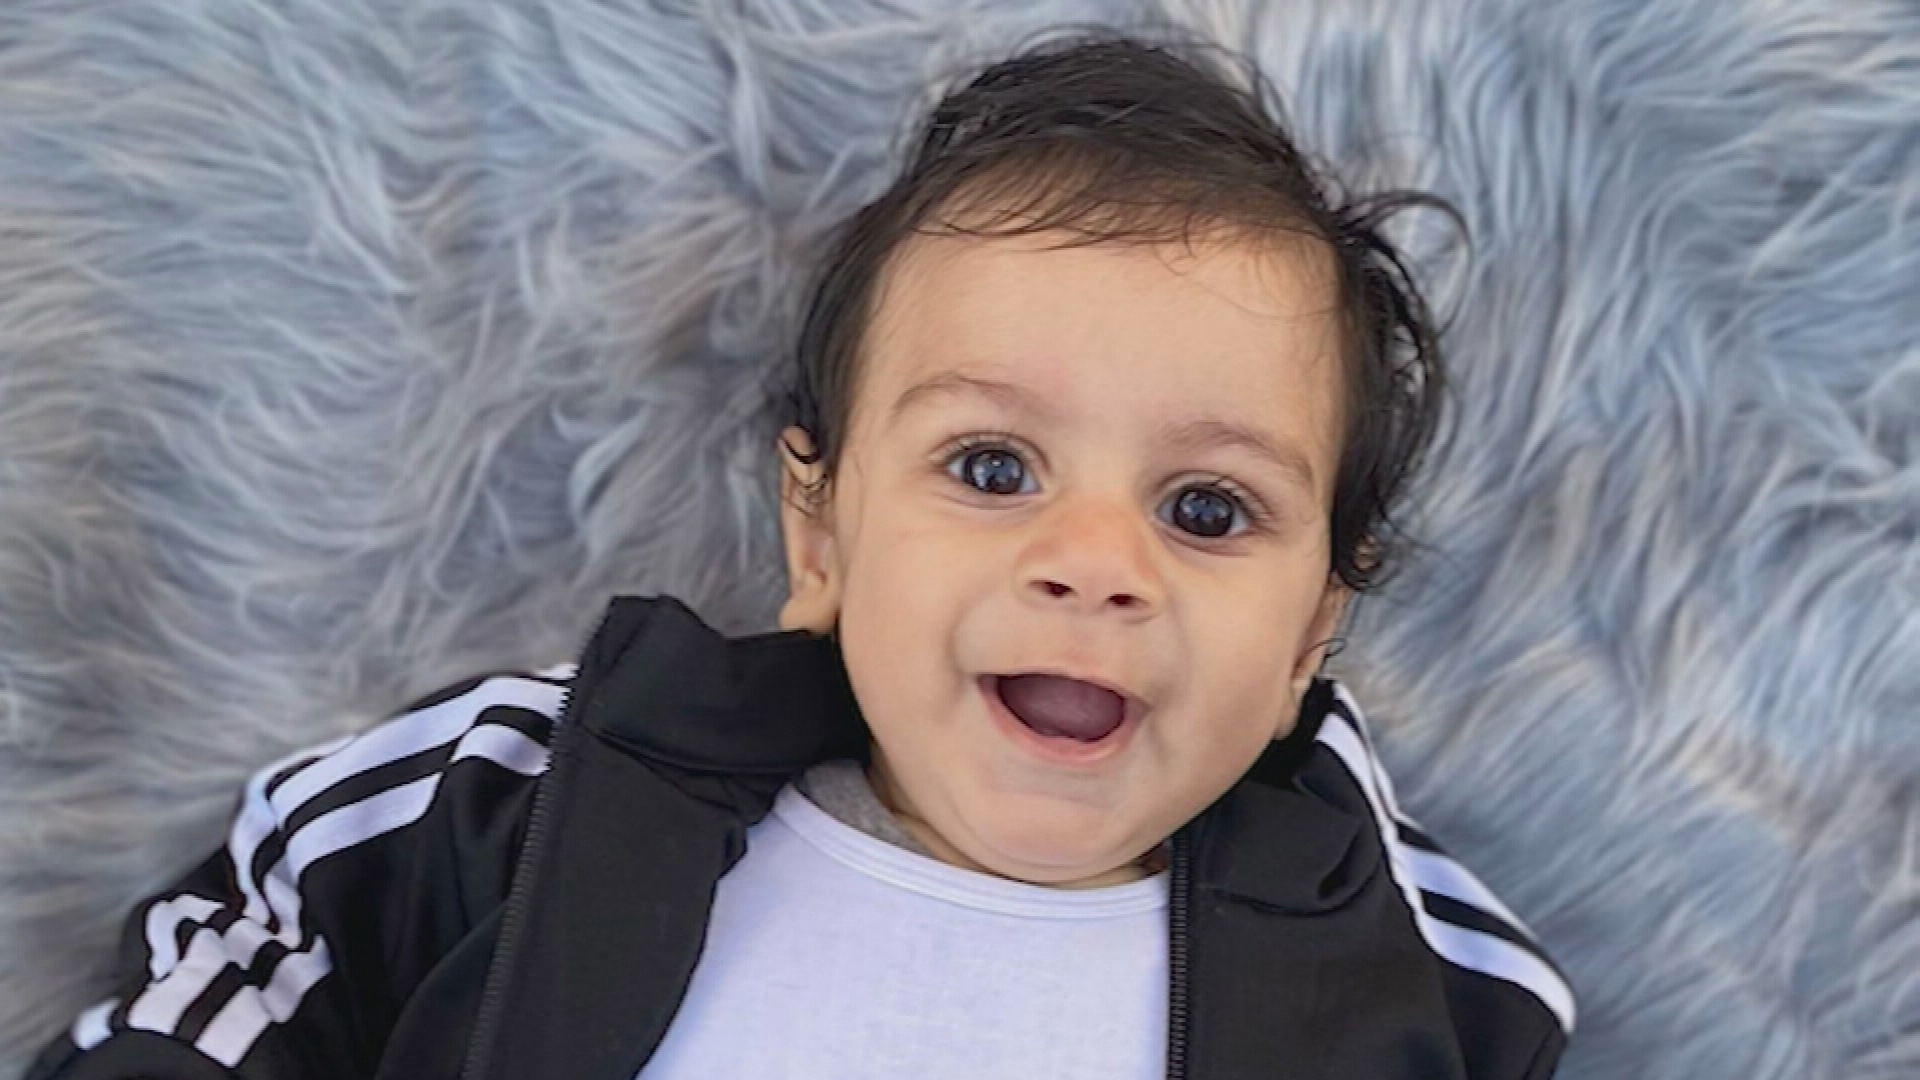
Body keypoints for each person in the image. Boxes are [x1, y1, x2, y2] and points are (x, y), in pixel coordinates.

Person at [26, 27, 1576, 1080]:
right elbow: (249, 964)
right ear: (819, 532)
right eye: (992, 468)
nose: (1097, 564)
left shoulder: (1413, 966)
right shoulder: (537, 789)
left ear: (1311, 630)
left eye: (1207, 510)